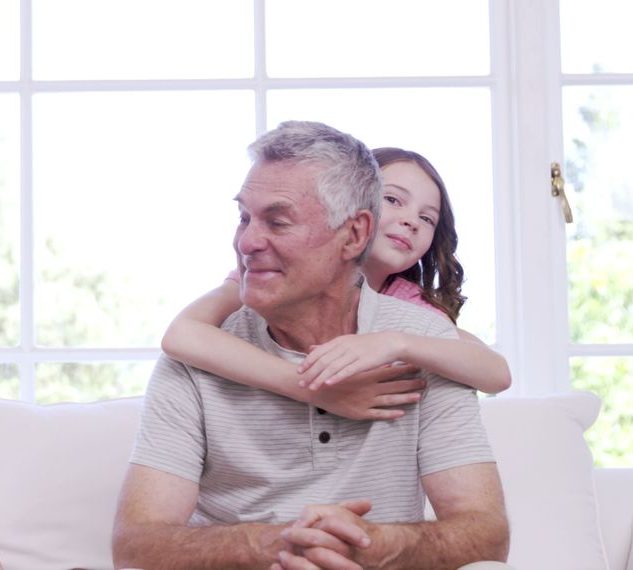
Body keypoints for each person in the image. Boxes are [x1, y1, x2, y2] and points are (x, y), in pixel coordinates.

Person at [112, 121, 509, 569]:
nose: (247, 242)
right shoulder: (198, 353)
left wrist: (369, 545)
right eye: (244, 217)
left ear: (355, 234)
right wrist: (276, 544)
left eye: (277, 221)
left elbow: (487, 537)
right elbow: (135, 545)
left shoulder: (424, 341)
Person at [159, 147, 510, 422]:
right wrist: (309, 387)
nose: (410, 221)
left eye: (426, 218)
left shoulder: (409, 306)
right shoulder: (270, 276)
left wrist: (395, 343)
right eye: (393, 200)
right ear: (351, 213)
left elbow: (496, 374)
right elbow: (181, 335)